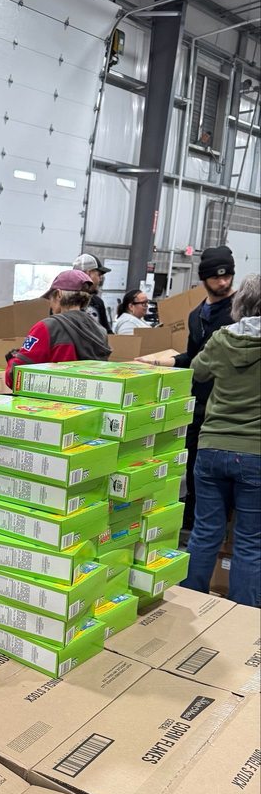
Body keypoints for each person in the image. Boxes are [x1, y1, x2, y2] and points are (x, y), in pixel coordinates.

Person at [138, 245, 236, 530]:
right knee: (194, 467)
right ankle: (192, 519)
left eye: (227, 275)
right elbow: (194, 357)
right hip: (198, 403)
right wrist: (161, 361)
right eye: (216, 277)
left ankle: (218, 525)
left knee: (222, 478)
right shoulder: (197, 315)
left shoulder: (241, 312)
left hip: (229, 406)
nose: (223, 282)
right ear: (203, 278)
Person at [181, 273, 260, 607]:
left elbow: (196, 373)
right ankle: (241, 619)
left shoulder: (220, 339)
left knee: (205, 532)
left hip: (211, 447)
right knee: (250, 542)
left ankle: (191, 603)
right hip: (255, 454)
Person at [5, 269, 111, 388]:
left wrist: (12, 360)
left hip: (51, 403)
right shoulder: (100, 330)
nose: (50, 304)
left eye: (50, 298)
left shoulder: (46, 327)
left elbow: (15, 376)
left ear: (59, 295)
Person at [73, 253, 113, 333]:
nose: (99, 280)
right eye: (98, 275)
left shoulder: (98, 302)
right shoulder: (65, 300)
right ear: (88, 274)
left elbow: (108, 333)